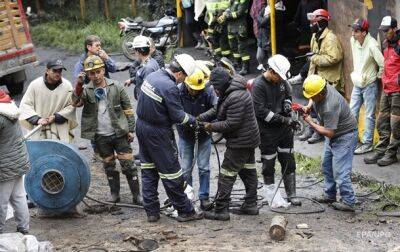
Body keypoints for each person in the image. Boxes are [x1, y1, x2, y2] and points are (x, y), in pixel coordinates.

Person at [135, 54, 203, 222]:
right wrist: (195, 122)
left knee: (149, 170)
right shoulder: (169, 86)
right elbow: (178, 116)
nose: (183, 81)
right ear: (179, 73)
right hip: (158, 133)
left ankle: (152, 211)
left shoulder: (153, 75)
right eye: (185, 77)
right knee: (172, 173)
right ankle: (185, 211)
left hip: (142, 127)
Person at [72, 55, 140, 205]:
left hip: (119, 133)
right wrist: (78, 85)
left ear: (103, 70)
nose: (95, 76)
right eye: (91, 73)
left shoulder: (116, 86)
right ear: (87, 74)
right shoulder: (87, 90)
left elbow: (128, 109)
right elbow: (75, 102)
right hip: (100, 136)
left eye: (98, 72)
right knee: (109, 166)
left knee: (128, 165)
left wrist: (131, 130)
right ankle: (114, 194)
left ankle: (137, 196)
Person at [197, 67, 260, 221]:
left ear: (222, 84)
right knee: (247, 170)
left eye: (216, 87)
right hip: (248, 139)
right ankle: (251, 204)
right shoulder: (229, 91)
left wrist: (209, 126)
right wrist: (199, 118)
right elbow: (217, 109)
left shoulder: (236, 96)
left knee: (226, 174)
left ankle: (221, 210)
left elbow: (231, 123)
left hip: (241, 141)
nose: (215, 91)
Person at [303, 75, 358, 212]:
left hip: (344, 135)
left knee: (340, 171)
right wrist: (309, 105)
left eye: (314, 97)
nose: (312, 98)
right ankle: (330, 195)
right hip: (334, 133)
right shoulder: (322, 86)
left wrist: (310, 122)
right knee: (327, 165)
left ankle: (348, 201)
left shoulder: (330, 105)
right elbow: (312, 96)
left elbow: (328, 132)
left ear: (321, 93)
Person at [252, 54, 301, 207]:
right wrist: (283, 120)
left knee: (288, 160)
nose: (281, 79)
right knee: (268, 163)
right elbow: (261, 111)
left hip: (284, 130)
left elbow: (287, 95)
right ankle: (272, 196)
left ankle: (291, 194)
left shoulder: (282, 81)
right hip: (267, 131)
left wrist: (287, 105)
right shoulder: (258, 85)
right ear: (271, 71)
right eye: (278, 76)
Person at [177, 69, 217, 211]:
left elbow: (216, 108)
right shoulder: (178, 91)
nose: (194, 92)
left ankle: (204, 197)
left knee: (204, 167)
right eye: (192, 89)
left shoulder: (207, 91)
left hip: (204, 134)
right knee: (186, 168)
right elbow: (175, 111)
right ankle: (188, 196)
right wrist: (189, 121)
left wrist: (201, 119)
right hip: (185, 134)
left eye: (197, 90)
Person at [303, 9, 344, 144]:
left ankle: (318, 132)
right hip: (317, 77)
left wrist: (314, 58)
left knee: (323, 109)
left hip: (329, 79)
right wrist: (309, 77)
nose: (310, 25)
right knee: (312, 105)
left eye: (313, 22)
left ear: (320, 22)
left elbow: (334, 58)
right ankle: (312, 129)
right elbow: (312, 59)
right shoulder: (315, 37)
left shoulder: (331, 38)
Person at [364, 16, 400, 166]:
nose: (385, 33)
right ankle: (381, 150)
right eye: (383, 31)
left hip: (398, 91)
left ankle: (391, 154)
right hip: (386, 89)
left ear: (394, 29)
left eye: (387, 30)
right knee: (382, 122)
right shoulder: (385, 44)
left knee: (396, 124)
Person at [19, 60, 77, 143]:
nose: (58, 73)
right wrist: (37, 119)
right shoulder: (35, 85)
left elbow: (71, 106)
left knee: (60, 154)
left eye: (60, 71)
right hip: (39, 128)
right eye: (54, 70)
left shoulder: (67, 86)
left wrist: (56, 117)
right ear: (47, 70)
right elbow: (25, 105)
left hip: (59, 130)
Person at [349, 18, 384, 155]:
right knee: (352, 113)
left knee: (369, 115)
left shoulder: (372, 45)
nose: (353, 34)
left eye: (356, 31)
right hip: (357, 84)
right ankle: (351, 140)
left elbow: (383, 64)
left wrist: (377, 77)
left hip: (369, 85)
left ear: (364, 33)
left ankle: (367, 143)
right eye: (353, 30)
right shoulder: (353, 41)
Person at [0, 90, 30, 234]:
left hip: (5, 165)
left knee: (1, 201)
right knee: (18, 197)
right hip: (18, 160)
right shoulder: (9, 106)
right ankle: (23, 229)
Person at [219, 0, 251, 74]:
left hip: (240, 28)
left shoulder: (243, 1)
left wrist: (226, 15)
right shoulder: (232, 1)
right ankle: (237, 63)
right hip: (230, 27)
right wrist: (223, 14)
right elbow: (228, 10)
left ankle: (245, 67)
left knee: (242, 48)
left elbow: (239, 13)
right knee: (233, 47)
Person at [124, 35, 160, 100]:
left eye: (134, 50)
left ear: (138, 52)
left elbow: (148, 92)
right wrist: (132, 80)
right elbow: (143, 77)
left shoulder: (147, 68)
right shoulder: (151, 61)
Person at [256, 0, 286, 70]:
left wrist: (261, 21)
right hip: (262, 37)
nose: (267, 1)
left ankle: (272, 73)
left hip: (271, 38)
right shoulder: (266, 8)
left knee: (271, 59)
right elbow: (259, 18)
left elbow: (262, 22)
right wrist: (262, 21)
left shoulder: (279, 10)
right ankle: (265, 71)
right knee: (259, 57)